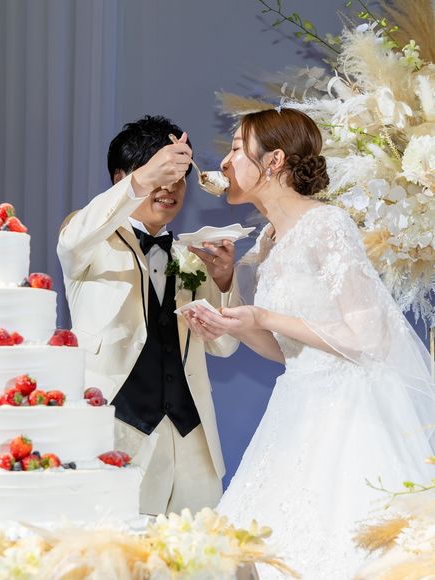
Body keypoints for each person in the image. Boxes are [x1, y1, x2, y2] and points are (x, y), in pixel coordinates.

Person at [183, 108, 435, 578]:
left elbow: (370, 335)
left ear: (274, 160)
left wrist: (262, 315)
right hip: (296, 405)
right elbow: (288, 350)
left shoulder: (327, 225)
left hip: (348, 413)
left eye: (236, 149)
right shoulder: (268, 240)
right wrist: (232, 317)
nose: (225, 163)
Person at [57, 115, 241, 515]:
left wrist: (225, 281)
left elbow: (225, 345)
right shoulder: (87, 238)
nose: (170, 187)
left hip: (193, 440)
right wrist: (144, 179)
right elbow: (71, 243)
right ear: (120, 178)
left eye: (178, 178)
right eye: (160, 174)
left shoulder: (192, 254)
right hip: (116, 433)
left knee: (202, 549)